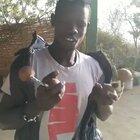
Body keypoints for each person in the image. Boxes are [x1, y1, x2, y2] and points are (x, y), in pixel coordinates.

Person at [0, 0, 122, 140]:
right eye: (65, 21)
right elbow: (3, 120)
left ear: (87, 25)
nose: (73, 29)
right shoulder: (27, 64)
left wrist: (104, 103)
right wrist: (36, 106)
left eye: (81, 24)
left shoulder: (96, 67)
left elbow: (104, 115)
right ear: (53, 20)